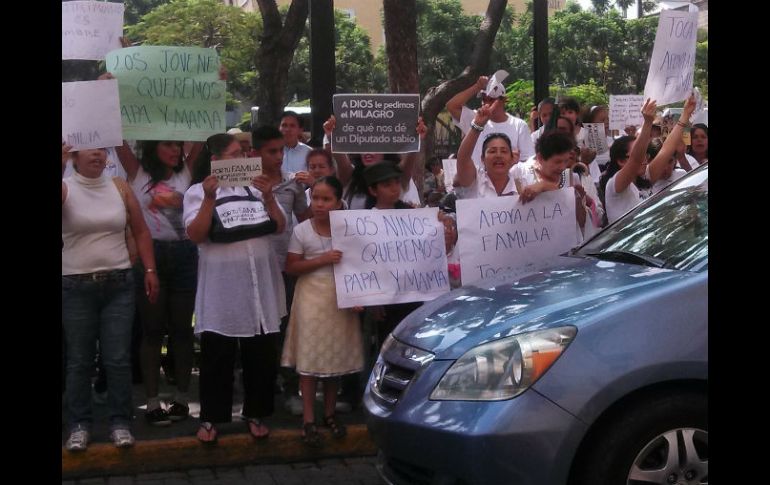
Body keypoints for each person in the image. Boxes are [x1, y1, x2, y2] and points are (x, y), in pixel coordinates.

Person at [183, 133, 287, 443]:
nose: (241, 159)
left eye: (243, 153)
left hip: (261, 285)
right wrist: (209, 199)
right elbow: (196, 234)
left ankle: (257, 413)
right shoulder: (195, 192)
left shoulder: (258, 188)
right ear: (216, 161)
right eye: (234, 154)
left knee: (261, 354)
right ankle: (212, 419)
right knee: (218, 355)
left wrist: (269, 198)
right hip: (223, 289)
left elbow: (280, 226)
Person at [62, 144, 160, 451]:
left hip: (118, 283)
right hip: (75, 285)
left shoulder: (119, 186)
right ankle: (79, 424)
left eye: (101, 149)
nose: (96, 155)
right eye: (87, 150)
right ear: (74, 156)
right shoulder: (66, 187)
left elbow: (141, 231)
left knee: (117, 359)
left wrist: (149, 269)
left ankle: (120, 422)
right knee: (79, 361)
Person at [114, 138, 199, 426]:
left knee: (181, 330)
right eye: (168, 144)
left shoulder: (185, 172)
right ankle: (152, 401)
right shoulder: (137, 174)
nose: (176, 150)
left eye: (178, 145)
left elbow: (201, 128)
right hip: (150, 258)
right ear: (153, 147)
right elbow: (117, 141)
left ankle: (182, 399)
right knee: (152, 331)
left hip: (185, 255)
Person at [281, 176, 364, 447]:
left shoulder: (350, 230)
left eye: (326, 199)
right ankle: (308, 419)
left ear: (339, 202)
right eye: (315, 197)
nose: (319, 204)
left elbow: (359, 266)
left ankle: (329, 414)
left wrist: (360, 296)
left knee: (334, 362)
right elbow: (291, 267)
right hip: (310, 301)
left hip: (341, 300)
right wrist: (321, 260)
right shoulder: (302, 231)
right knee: (309, 363)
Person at [446, 72, 534, 168]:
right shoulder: (475, 118)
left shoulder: (519, 125)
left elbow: (528, 160)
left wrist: (513, 162)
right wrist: (477, 87)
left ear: (504, 100)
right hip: (478, 181)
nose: (486, 104)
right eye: (484, 99)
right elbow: (452, 106)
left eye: (491, 99)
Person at [513, 131, 587, 242]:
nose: (562, 166)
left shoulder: (572, 177)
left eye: (566, 161)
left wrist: (578, 203)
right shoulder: (520, 174)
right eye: (557, 162)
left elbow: (581, 222)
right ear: (540, 158)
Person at [453, 98, 520, 199]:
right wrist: (477, 126)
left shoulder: (522, 184)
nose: (498, 155)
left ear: (512, 158)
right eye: (492, 151)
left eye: (504, 151)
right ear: (482, 159)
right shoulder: (475, 181)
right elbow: (463, 158)